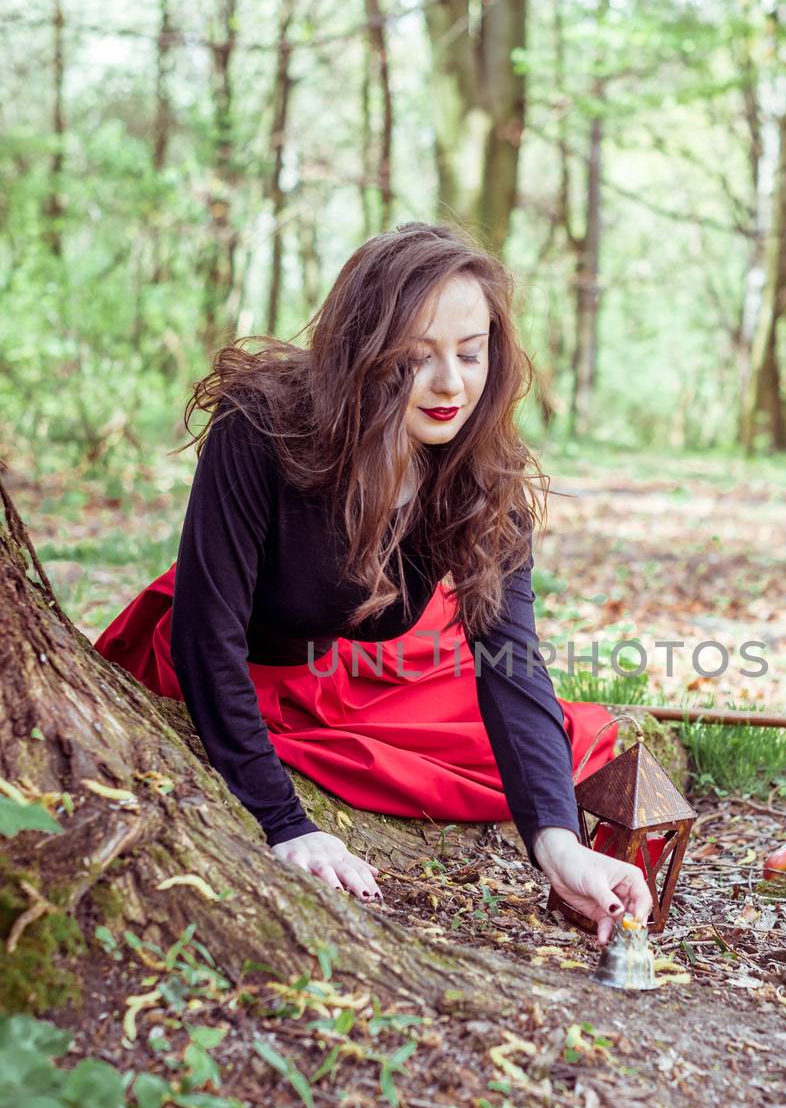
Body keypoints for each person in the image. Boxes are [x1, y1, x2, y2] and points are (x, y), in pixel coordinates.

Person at [95, 221, 652, 943]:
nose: (451, 383)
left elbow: (511, 665)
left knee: (548, 740)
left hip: (341, 670)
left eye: (470, 352)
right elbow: (209, 638)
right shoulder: (261, 425)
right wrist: (284, 824)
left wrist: (559, 847)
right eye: (416, 357)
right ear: (363, 350)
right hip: (213, 666)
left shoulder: (482, 475)